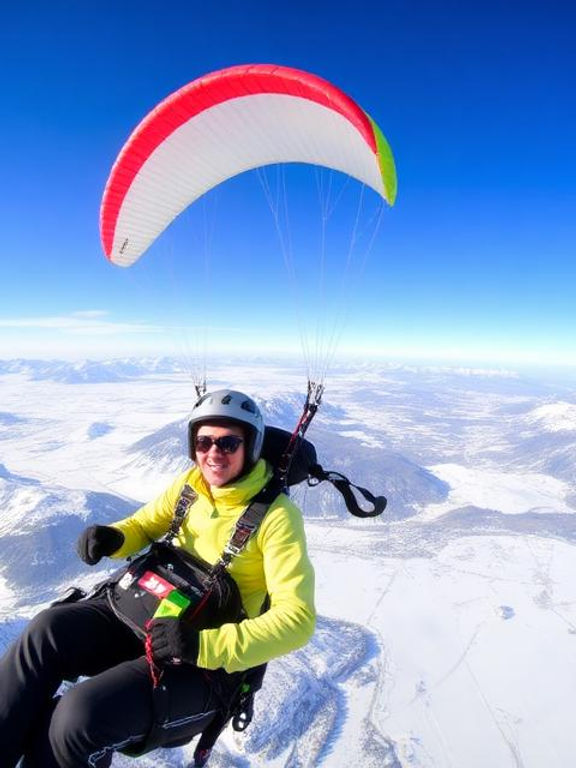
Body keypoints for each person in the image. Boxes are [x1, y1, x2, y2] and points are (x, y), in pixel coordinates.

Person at [0, 389, 316, 767]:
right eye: (204, 441)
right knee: (46, 631)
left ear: (251, 446)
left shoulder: (277, 518)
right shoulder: (191, 486)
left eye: (229, 443)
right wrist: (115, 537)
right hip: (149, 618)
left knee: (76, 719)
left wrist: (202, 646)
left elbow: (297, 620)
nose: (214, 453)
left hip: (203, 664)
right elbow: (146, 524)